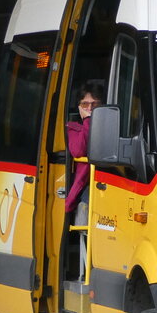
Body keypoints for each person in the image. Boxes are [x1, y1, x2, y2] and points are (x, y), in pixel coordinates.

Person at [64, 80, 106, 216]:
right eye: (85, 104)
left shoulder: (111, 126)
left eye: (95, 105)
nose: (90, 109)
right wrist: (88, 121)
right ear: (78, 107)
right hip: (85, 186)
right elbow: (78, 151)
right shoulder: (73, 128)